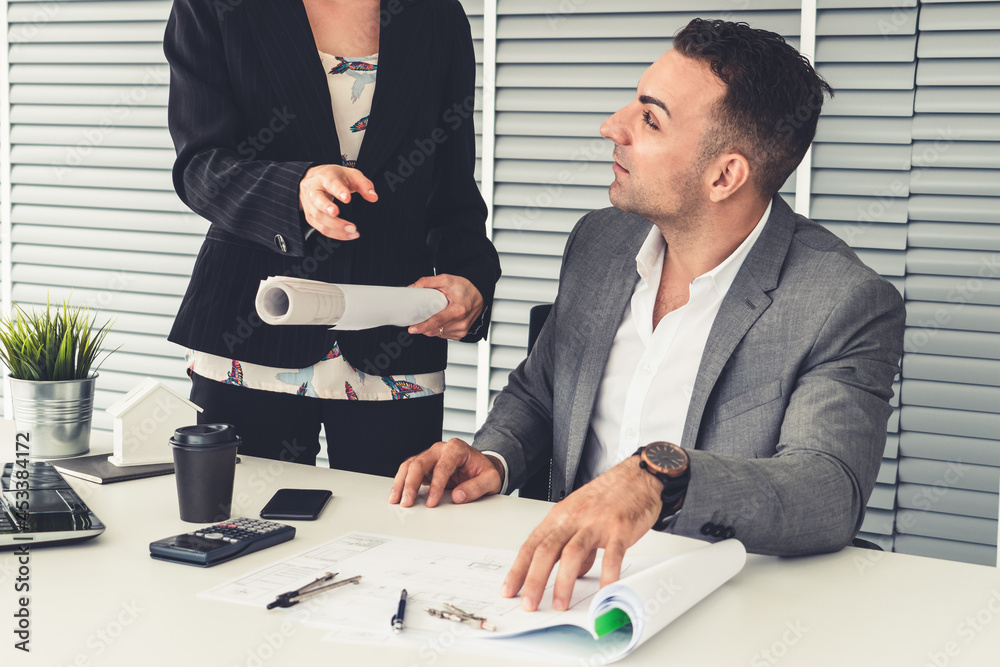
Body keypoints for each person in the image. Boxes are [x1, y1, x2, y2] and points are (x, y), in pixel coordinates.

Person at [390, 18, 906, 611]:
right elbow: (541, 392)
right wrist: (496, 456)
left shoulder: (842, 301)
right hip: (559, 592)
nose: (612, 128)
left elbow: (826, 490)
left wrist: (664, 478)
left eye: (650, 118)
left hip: (718, 603)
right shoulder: (599, 242)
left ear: (724, 175)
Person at [162, 0, 500, 476]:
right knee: (238, 529)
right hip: (252, 327)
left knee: (392, 534)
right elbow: (200, 165)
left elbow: (452, 190)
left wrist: (471, 279)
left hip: (394, 336)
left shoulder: (437, 14)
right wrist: (295, 190)